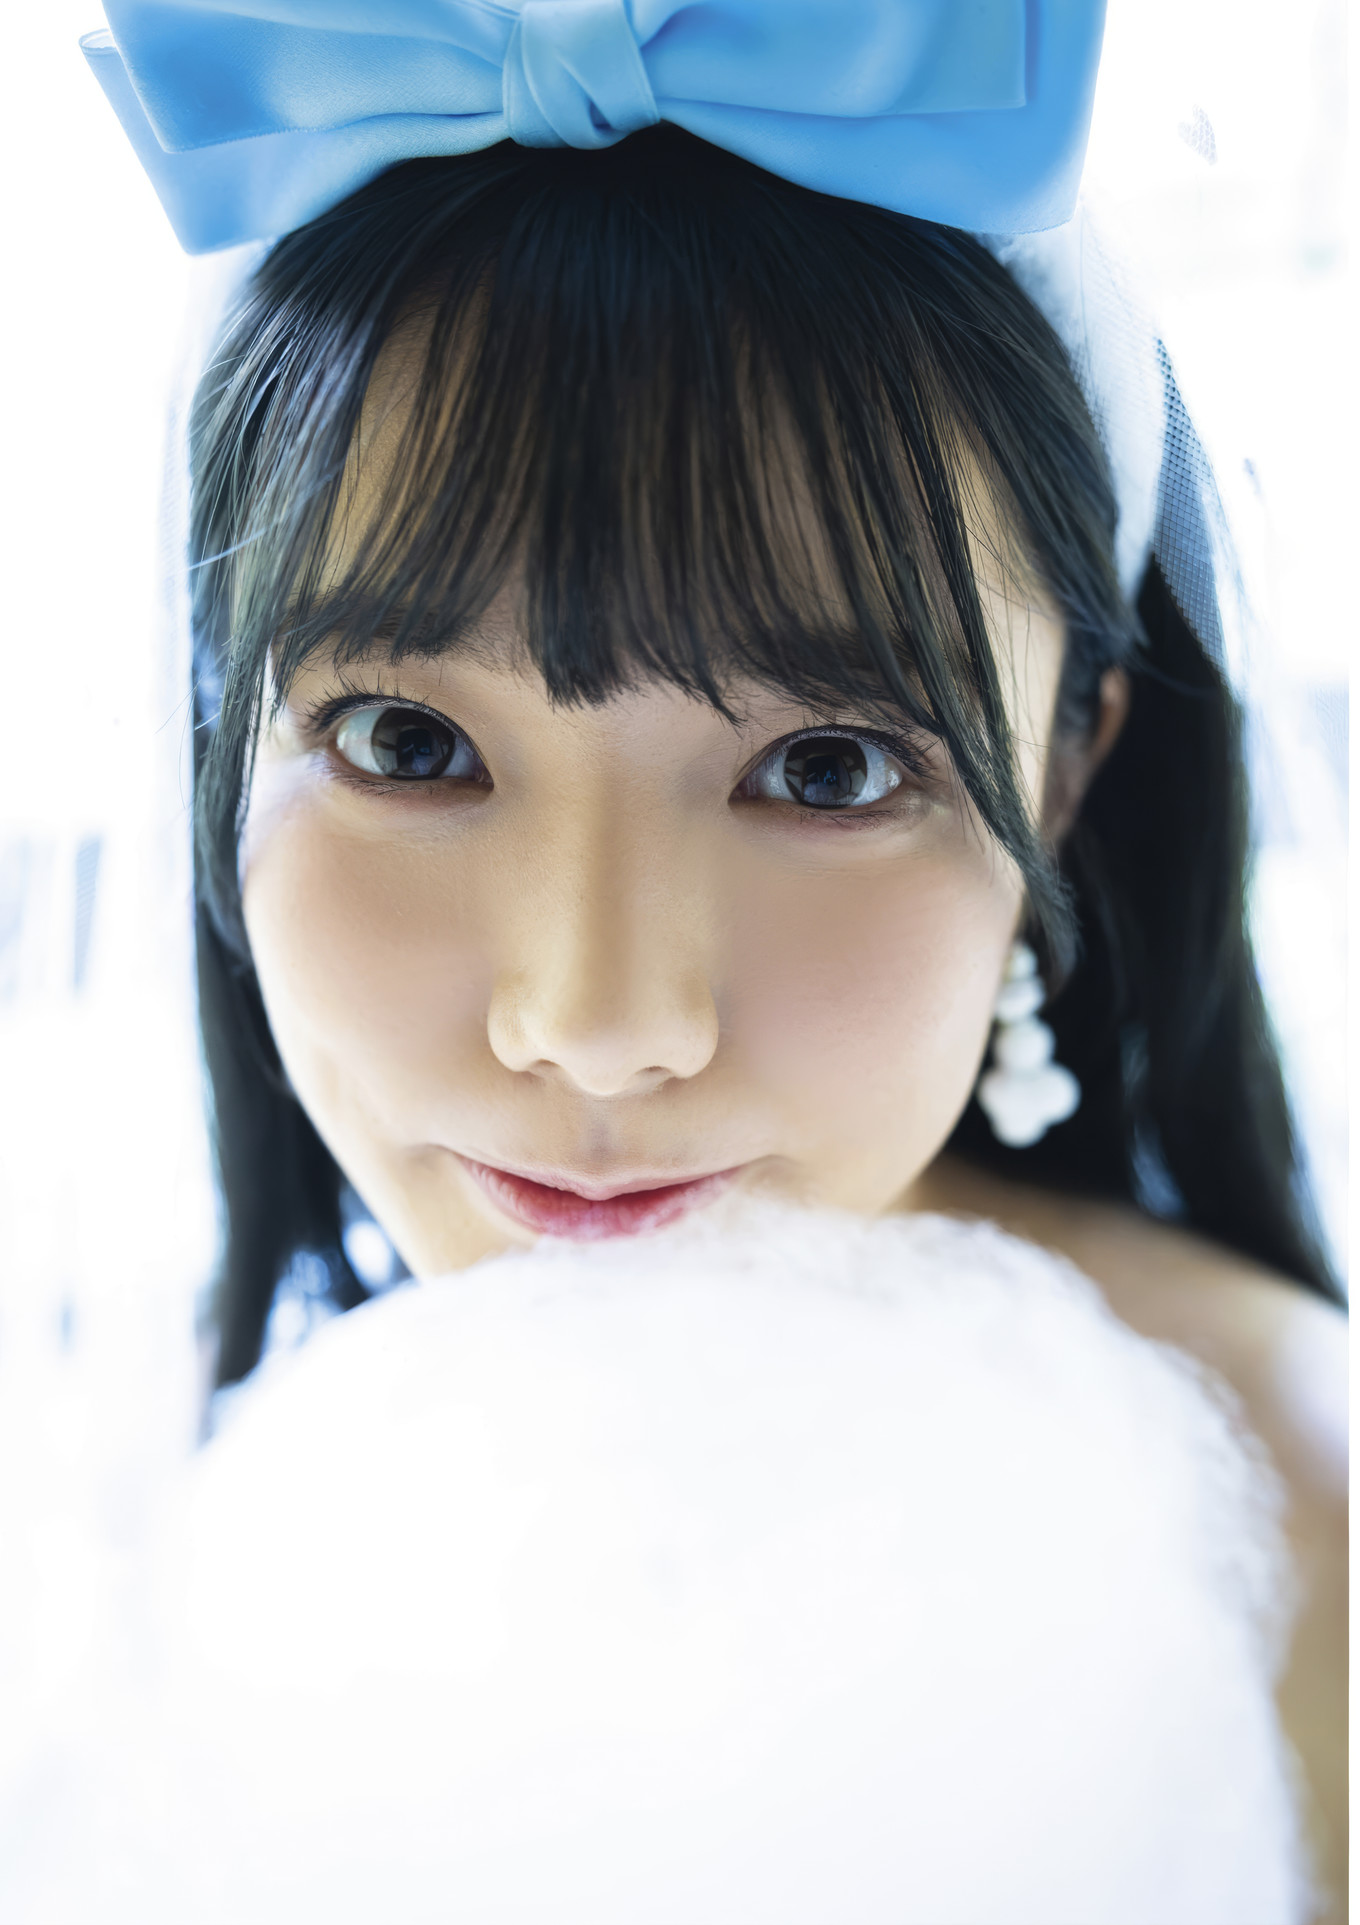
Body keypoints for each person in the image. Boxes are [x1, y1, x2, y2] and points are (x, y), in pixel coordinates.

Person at [83, 2, 1346, 1913]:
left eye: (826, 769)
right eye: (409, 744)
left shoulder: (1301, 1538)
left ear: (1065, 768)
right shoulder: (145, 1496)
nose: (599, 1025)